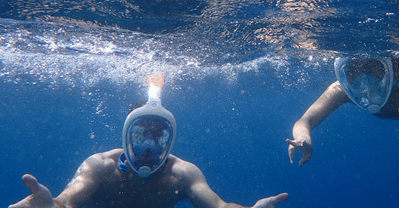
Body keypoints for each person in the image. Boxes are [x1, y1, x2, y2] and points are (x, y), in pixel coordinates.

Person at [10, 74, 288, 208]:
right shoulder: (99, 167)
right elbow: (65, 203)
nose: (148, 148)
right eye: (141, 135)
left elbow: (219, 207)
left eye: (159, 135)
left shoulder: (182, 175)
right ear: (127, 134)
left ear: (170, 139)